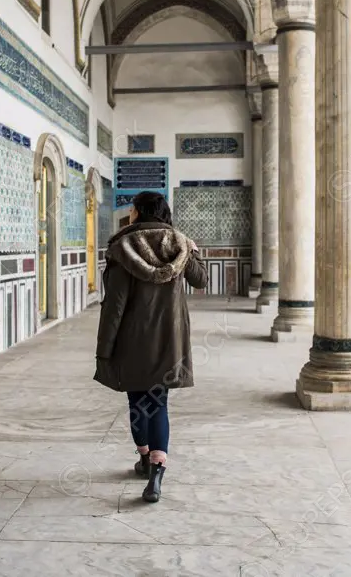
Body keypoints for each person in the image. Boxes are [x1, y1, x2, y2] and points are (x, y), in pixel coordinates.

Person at [94, 191, 208, 503]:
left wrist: (104, 348)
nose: (129, 214)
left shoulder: (122, 247)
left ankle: (144, 459)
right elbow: (201, 280)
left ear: (140, 212)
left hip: (132, 342)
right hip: (169, 342)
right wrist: (192, 253)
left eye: (132, 209)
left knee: (137, 402)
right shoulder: (179, 244)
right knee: (159, 403)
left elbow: (114, 306)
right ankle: (157, 473)